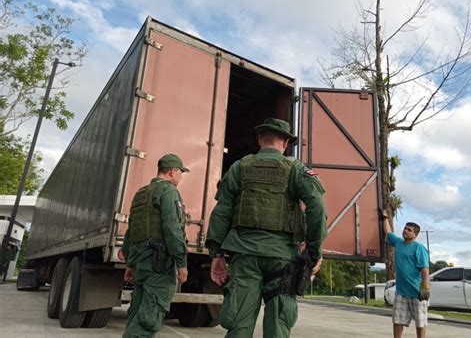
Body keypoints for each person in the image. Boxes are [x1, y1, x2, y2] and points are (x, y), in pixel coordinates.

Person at [205, 118, 327, 338]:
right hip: (282, 258)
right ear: (286, 142)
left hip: (245, 255)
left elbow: (222, 210)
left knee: (238, 323)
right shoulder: (297, 170)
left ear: (260, 139)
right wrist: (314, 251)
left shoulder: (239, 167)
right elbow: (317, 208)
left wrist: (216, 253)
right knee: (279, 325)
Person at [122, 154, 190, 338]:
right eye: (181, 172)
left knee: (137, 312)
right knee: (148, 319)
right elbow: (172, 228)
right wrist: (181, 263)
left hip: (141, 262)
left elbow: (131, 230)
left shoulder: (142, 193)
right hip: (158, 263)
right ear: (173, 171)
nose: (181, 177)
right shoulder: (168, 191)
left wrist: (130, 264)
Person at [383, 217, 430, 338]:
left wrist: (425, 286)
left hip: (417, 292)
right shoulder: (398, 242)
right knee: (397, 320)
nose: (405, 231)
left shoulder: (419, 248)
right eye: (404, 228)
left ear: (415, 234)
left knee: (420, 322)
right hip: (401, 292)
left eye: (409, 230)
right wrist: (385, 218)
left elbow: (424, 269)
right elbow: (388, 232)